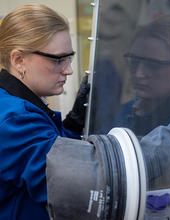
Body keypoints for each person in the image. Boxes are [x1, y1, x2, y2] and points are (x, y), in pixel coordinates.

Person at [0, 4, 89, 220]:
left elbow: (50, 152)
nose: (68, 70)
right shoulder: (15, 119)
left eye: (69, 58)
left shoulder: (16, 103)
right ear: (18, 60)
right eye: (58, 59)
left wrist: (74, 122)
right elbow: (71, 190)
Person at [114, 15, 170, 137]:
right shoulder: (129, 110)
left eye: (154, 65)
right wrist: (76, 129)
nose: (139, 74)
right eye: (134, 61)